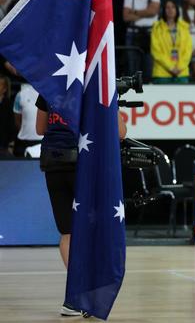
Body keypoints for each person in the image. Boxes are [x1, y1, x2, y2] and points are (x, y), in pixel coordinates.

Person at [35, 94, 126, 317]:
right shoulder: (96, 83)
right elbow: (121, 133)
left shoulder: (48, 84)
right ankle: (91, 293)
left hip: (54, 163)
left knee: (68, 232)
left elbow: (39, 129)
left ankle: (76, 297)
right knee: (93, 230)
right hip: (84, 165)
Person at [123, 0, 160, 81]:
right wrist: (147, 12)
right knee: (132, 68)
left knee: (149, 67)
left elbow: (153, 11)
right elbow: (126, 17)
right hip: (133, 33)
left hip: (151, 33)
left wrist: (134, 12)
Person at [150, 0, 192, 84]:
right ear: (163, 10)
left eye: (173, 7)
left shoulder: (184, 27)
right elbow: (156, 51)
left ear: (177, 10)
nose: (170, 10)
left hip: (181, 73)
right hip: (162, 74)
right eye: (167, 7)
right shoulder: (156, 27)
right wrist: (170, 67)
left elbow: (188, 50)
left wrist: (179, 67)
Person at [12, 83, 42, 157]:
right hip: (23, 142)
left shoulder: (50, 94)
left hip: (43, 142)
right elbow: (17, 119)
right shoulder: (21, 95)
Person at [0, 75, 14, 157]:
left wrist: (11, 145)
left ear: (4, 89)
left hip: (3, 146)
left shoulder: (8, 104)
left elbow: (11, 126)